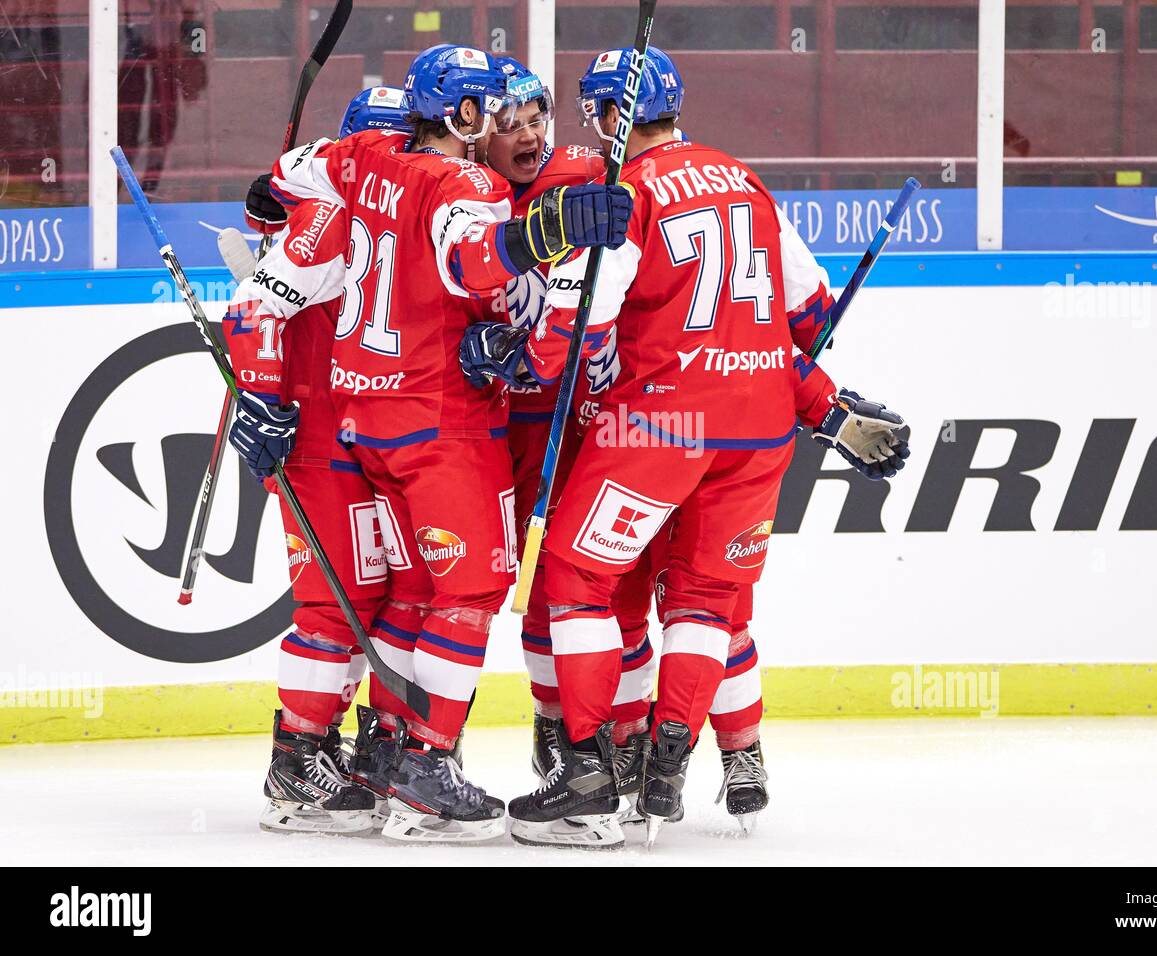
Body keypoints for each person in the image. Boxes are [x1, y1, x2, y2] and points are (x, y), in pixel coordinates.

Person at [461, 46, 908, 848]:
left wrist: (521, 360)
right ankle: (667, 761)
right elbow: (806, 318)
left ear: (606, 117)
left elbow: (581, 317)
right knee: (708, 601)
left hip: (657, 427)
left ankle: (592, 772)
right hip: (761, 424)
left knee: (573, 576)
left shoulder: (620, 191)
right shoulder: (745, 177)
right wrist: (827, 407)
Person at [245, 43, 632, 843]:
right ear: (460, 115)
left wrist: (267, 196)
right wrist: (548, 230)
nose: (504, 123)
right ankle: (424, 767)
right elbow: (471, 265)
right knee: (470, 591)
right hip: (442, 423)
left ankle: (387, 756)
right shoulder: (466, 183)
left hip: (369, 424)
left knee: (418, 590)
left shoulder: (359, 161)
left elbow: (290, 171)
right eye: (492, 107)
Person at [226, 85, 419, 835]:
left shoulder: (398, 213)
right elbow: (252, 309)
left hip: (375, 438)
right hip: (320, 440)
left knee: (377, 596)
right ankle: (297, 761)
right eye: (384, 145)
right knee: (332, 601)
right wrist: (265, 400)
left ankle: (357, 748)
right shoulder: (335, 215)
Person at [480, 58, 656, 802]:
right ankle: (555, 727)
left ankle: (631, 736)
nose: (526, 137)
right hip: (493, 420)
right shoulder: (460, 189)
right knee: (518, 585)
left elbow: (665, 219)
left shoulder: (592, 170)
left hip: (583, 413)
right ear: (473, 132)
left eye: (535, 120)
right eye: (507, 126)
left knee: (589, 585)